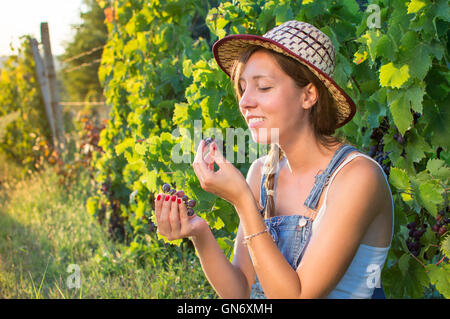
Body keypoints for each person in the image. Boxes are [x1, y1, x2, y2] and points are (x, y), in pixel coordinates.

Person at [154, 20, 394, 299]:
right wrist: (199, 232)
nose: (245, 102)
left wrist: (243, 201)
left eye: (263, 87)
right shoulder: (262, 172)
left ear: (308, 95)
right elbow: (242, 291)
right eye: (243, 88)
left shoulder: (356, 177)